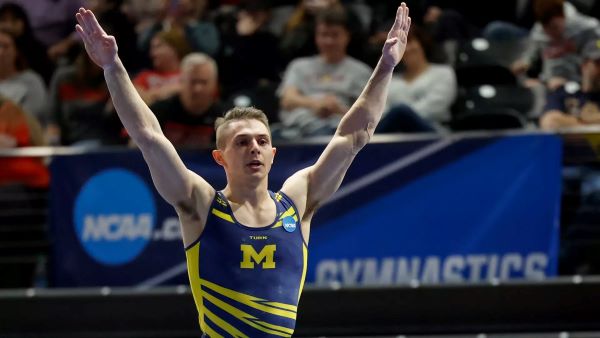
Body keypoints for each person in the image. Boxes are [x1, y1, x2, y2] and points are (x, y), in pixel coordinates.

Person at [75, 2, 410, 336]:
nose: (254, 148)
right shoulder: (202, 205)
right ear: (220, 157)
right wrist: (112, 66)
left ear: (273, 154)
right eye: (242, 142)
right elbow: (148, 137)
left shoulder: (296, 200)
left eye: (263, 141)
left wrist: (386, 65)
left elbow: (353, 135)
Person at [276, 6, 372, 139]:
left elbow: (368, 116)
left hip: (339, 132)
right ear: (316, 36)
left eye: (335, 35)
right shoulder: (298, 66)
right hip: (297, 131)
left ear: (347, 36)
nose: (328, 41)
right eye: (324, 35)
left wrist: (337, 109)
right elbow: (287, 99)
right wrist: (315, 104)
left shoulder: (361, 71)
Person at [149, 52, 224, 148]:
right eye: (193, 81)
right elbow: (135, 148)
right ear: (181, 81)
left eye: (203, 82)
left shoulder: (224, 118)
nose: (198, 89)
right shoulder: (158, 111)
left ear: (214, 84)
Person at [539, 38, 600, 130]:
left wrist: (569, 122)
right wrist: (589, 123)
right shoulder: (565, 92)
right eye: (598, 63)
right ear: (584, 65)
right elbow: (550, 122)